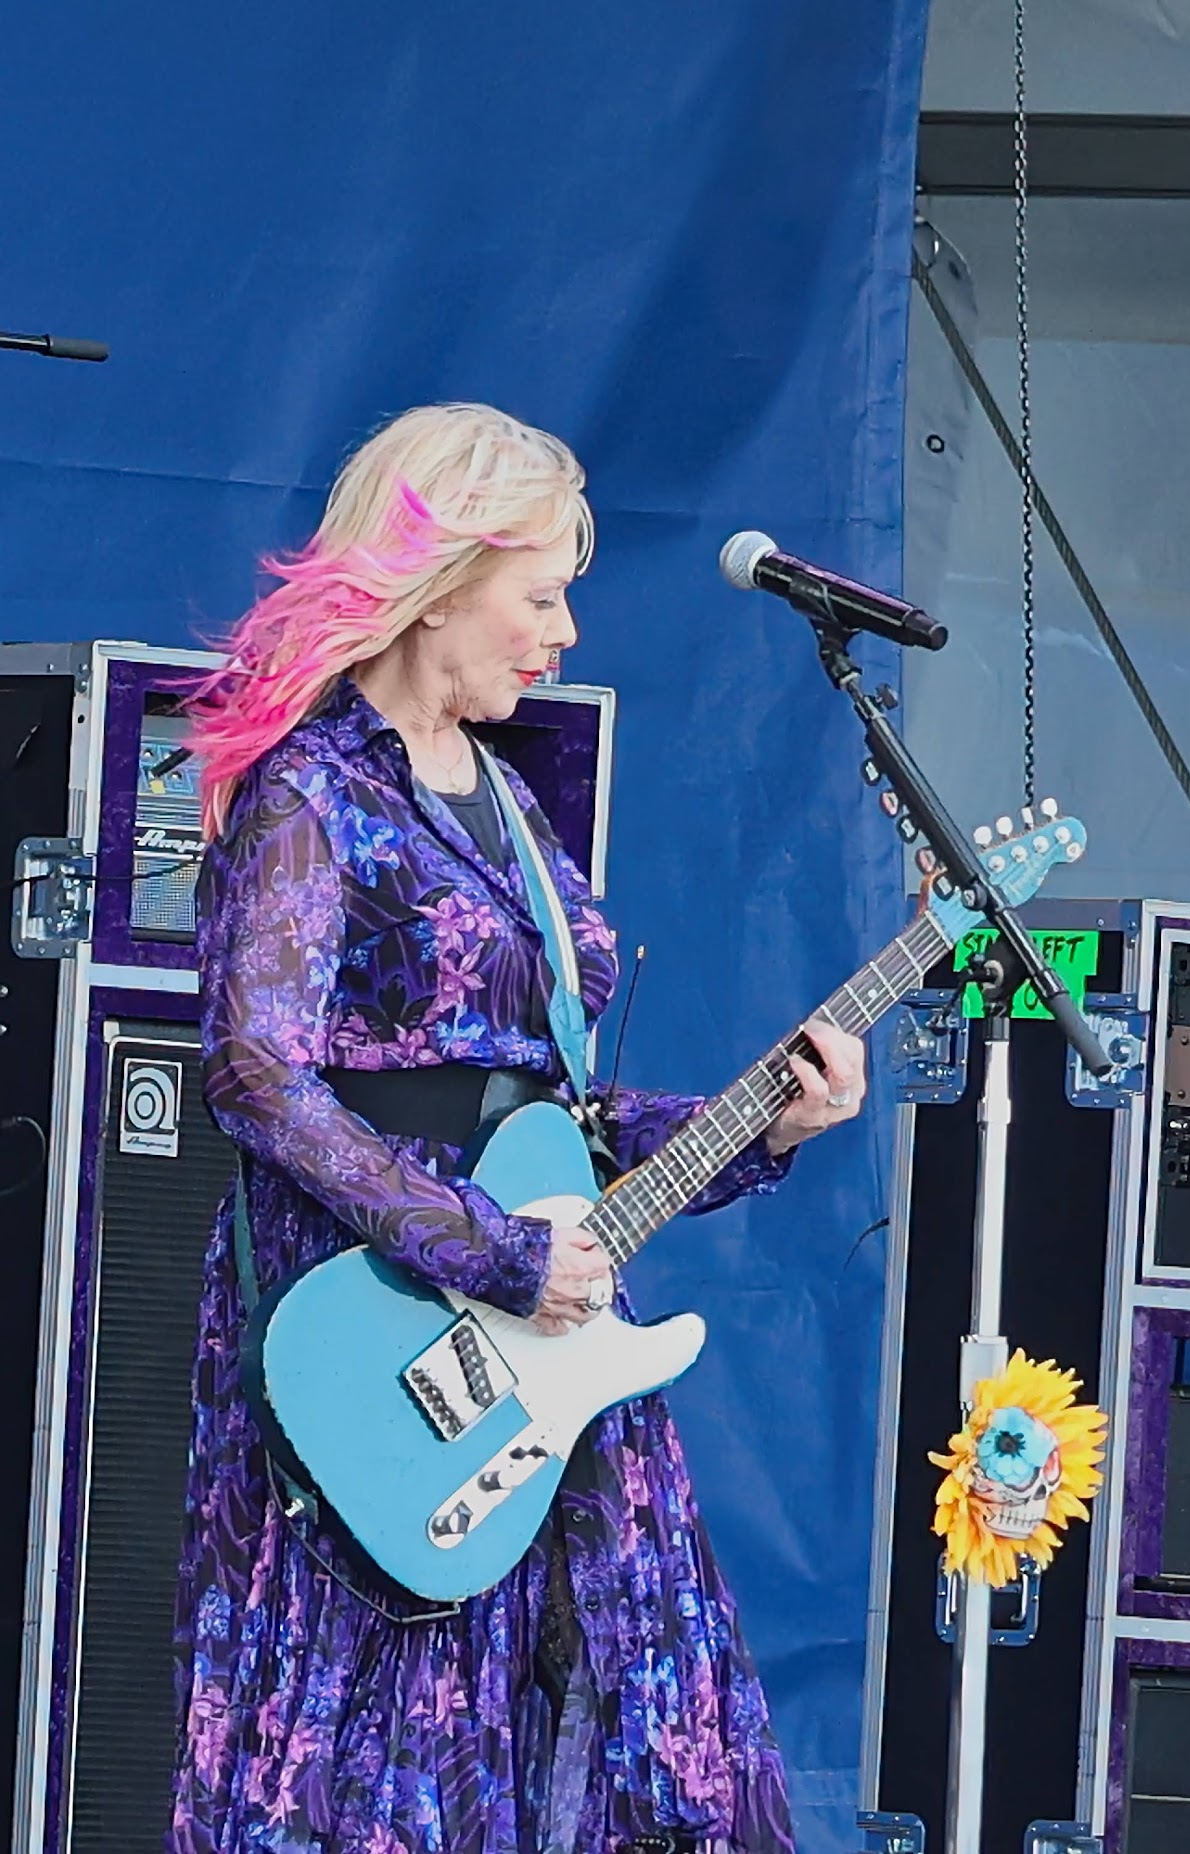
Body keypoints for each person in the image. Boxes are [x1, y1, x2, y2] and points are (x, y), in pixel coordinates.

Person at [172, 403, 866, 1854]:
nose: (561, 632)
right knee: (379, 1762)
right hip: (381, 1348)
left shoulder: (503, 801)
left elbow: (561, 1108)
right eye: (541, 591)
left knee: (651, 1733)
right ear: (442, 579)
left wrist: (763, 1123)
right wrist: (488, 1252)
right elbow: (256, 1074)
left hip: (536, 1345)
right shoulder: (315, 789)